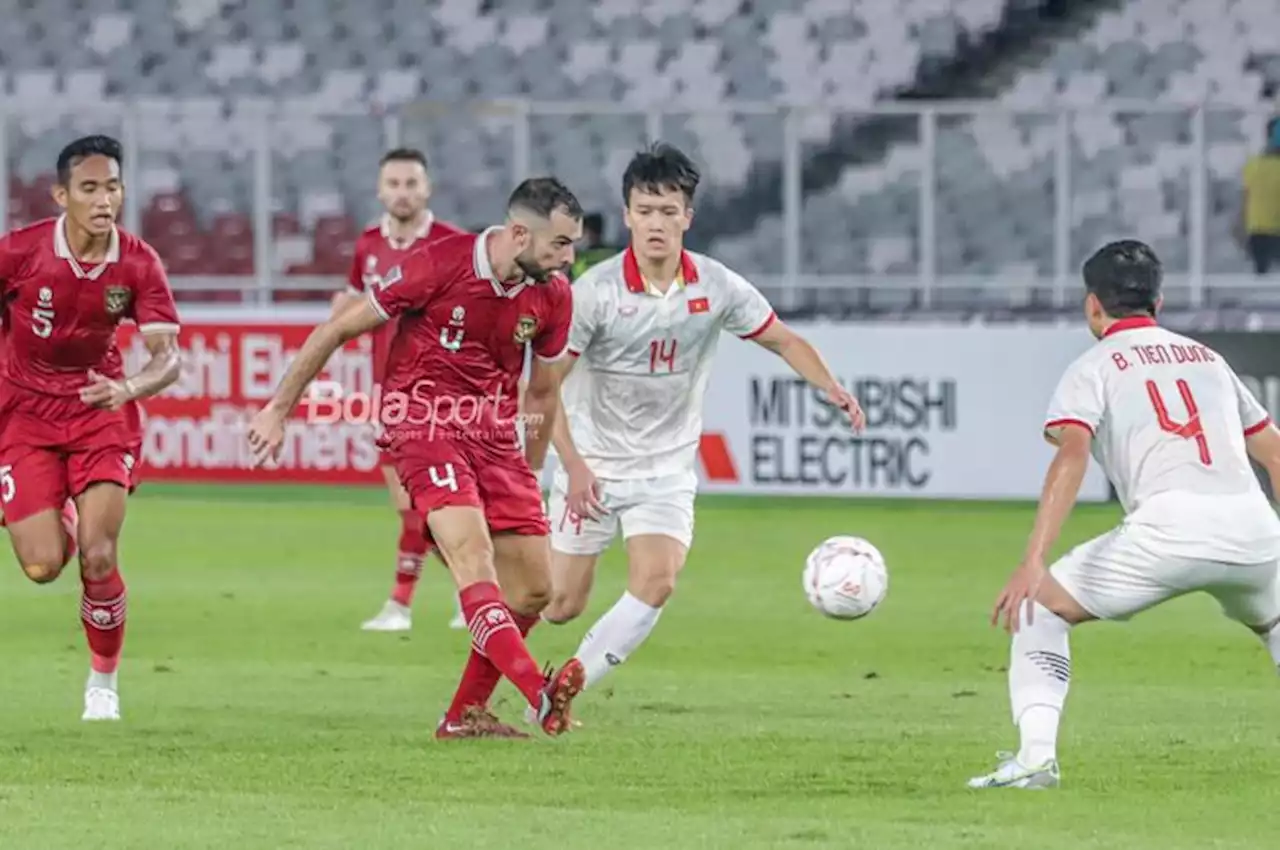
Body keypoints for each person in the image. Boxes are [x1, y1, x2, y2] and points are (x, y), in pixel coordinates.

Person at [248, 177, 587, 738]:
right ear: (520, 233)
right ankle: (540, 692)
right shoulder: (440, 264)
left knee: (534, 590)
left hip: (497, 439)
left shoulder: (554, 294)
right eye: (559, 245)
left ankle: (463, 717)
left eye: (572, 245)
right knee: (471, 556)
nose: (569, 258)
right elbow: (338, 328)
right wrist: (278, 410)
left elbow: (544, 392)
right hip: (423, 427)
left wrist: (528, 469)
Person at [538, 143, 865, 707]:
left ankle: (564, 688)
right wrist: (572, 463)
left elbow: (782, 338)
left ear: (688, 216)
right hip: (590, 465)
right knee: (558, 604)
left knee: (657, 581)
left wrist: (829, 386)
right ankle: (489, 583)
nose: (656, 224)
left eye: (668, 211)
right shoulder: (593, 294)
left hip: (665, 469)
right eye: (645, 211)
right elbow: (544, 387)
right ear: (627, 216)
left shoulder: (715, 286)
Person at [969, 240, 1280, 790]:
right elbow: (1274, 455)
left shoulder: (1092, 368)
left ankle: (1036, 760)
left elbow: (1071, 454)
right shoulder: (1210, 361)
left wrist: (1033, 562)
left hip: (1167, 531)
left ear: (1093, 305)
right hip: (1253, 527)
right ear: (1158, 301)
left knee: (1040, 611)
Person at [0, 135, 182, 721]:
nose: (105, 199)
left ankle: (102, 683)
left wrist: (128, 388)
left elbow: (168, 357)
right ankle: (61, 511)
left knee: (98, 557)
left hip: (100, 409)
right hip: (24, 412)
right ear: (61, 196)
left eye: (113, 187)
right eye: (90, 188)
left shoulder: (137, 262)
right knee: (41, 566)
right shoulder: (21, 252)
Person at [333, 147, 469, 633]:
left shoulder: (452, 244)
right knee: (412, 508)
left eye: (411, 183)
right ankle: (469, 591)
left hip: (441, 395)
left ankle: (402, 604)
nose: (403, 192)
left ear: (427, 188)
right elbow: (350, 307)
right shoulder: (368, 245)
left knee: (427, 507)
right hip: (388, 396)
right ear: (380, 190)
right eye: (394, 184)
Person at [1240, 118, 1280, 274]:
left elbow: (1244, 197)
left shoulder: (1253, 164)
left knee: (1261, 279)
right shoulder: (1254, 165)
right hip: (1273, 230)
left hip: (1257, 231)